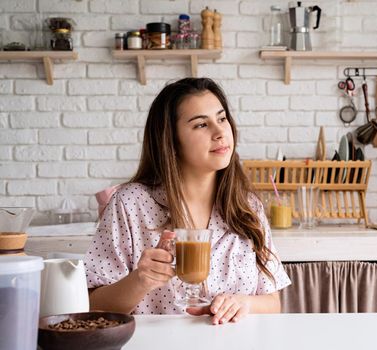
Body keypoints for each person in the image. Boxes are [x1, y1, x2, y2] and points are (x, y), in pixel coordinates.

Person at [85, 78, 291, 325]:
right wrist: (140, 280)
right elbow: (92, 305)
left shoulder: (247, 207)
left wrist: (243, 302)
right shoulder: (130, 204)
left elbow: (273, 302)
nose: (220, 132)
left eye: (222, 119)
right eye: (201, 124)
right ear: (171, 141)